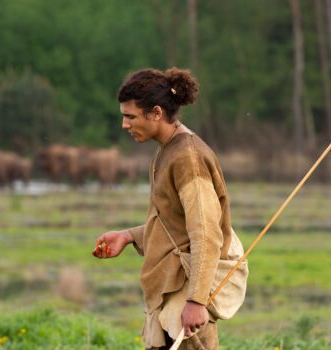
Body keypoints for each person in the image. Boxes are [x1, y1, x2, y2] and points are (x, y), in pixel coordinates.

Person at [92, 67, 241, 350]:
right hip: (170, 297)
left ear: (156, 113)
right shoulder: (167, 150)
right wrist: (129, 236)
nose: (125, 124)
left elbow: (206, 235)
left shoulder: (189, 158)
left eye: (131, 116)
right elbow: (173, 225)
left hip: (186, 301)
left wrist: (196, 302)